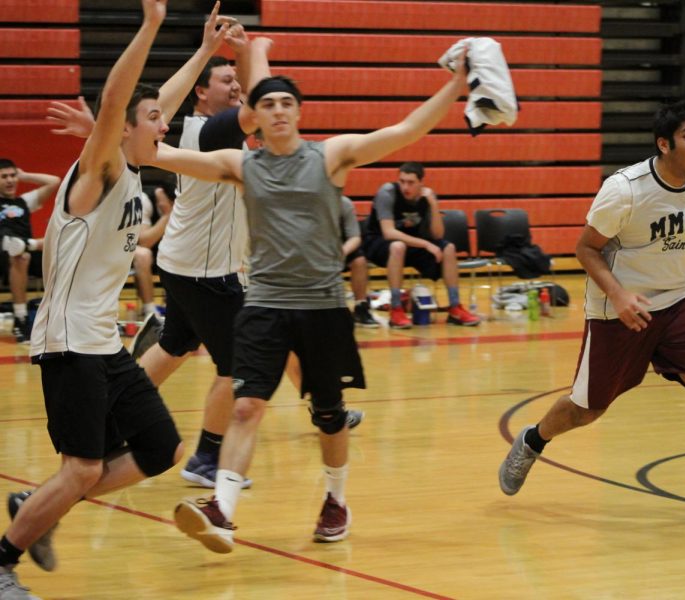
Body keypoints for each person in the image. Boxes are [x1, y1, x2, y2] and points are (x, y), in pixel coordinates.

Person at [150, 45, 470, 551]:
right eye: (268, 104)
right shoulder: (242, 163)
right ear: (257, 116)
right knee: (246, 405)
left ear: (298, 112)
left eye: (285, 103)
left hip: (321, 306)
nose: (277, 110)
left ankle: (336, 499)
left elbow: (406, 132)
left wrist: (455, 86)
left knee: (328, 414)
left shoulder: (332, 156)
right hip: (263, 303)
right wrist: (112, 129)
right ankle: (222, 509)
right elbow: (157, 153)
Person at [46, 36, 364, 496]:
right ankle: (208, 457)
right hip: (205, 271)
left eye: (236, 80)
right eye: (226, 81)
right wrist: (254, 50)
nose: (236, 87)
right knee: (241, 368)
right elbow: (259, 105)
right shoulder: (213, 131)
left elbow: (133, 127)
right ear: (202, 92)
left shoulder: (204, 132)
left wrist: (97, 129)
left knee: (174, 345)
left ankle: (113, 420)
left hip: (185, 260)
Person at [0, 2, 234, 597]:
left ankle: (39, 506)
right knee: (80, 467)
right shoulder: (98, 169)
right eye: (154, 118)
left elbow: (156, 104)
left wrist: (205, 52)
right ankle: (3, 560)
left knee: (159, 448)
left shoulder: (131, 168)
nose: (165, 125)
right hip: (68, 340)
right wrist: (152, 25)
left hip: (103, 343)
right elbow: (115, 105)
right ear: (123, 129)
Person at [498, 100, 685, 524]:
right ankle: (533, 440)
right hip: (619, 308)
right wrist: (621, 295)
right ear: (664, 144)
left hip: (678, 300)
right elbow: (585, 249)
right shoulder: (626, 189)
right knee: (587, 409)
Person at [365, 162, 480, 329]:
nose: (405, 187)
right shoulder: (387, 192)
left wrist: (433, 204)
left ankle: (455, 307)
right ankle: (396, 309)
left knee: (448, 248)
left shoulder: (426, 198)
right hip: (377, 242)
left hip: (410, 242)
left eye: (410, 183)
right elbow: (389, 232)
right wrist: (426, 244)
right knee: (398, 246)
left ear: (421, 183)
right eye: (402, 181)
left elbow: (438, 234)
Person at [0, 159, 60, 343]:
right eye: (4, 177)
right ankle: (21, 319)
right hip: (2, 255)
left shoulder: (24, 202)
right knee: (20, 255)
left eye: (13, 176)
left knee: (61, 247)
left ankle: (61, 315)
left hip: (25, 252)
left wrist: (24, 175)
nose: (10, 180)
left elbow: (54, 181)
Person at [131, 181, 174, 320]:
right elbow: (144, 242)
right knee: (143, 254)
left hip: (163, 251)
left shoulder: (182, 202)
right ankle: (150, 313)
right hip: (128, 248)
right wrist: (167, 216)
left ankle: (176, 308)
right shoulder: (142, 199)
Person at [341, 196, 378, 327]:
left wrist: (342, 252)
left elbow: (355, 237)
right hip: (315, 249)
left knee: (360, 261)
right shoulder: (311, 203)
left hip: (340, 248)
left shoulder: (344, 203)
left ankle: (360, 307)